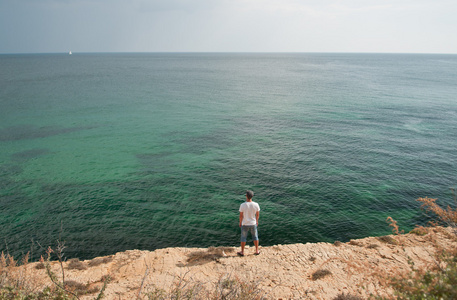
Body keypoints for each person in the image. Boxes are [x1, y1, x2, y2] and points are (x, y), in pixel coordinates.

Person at [238, 190, 260, 256]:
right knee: (255, 237)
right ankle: (257, 250)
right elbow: (257, 215)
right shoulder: (256, 204)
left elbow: (241, 216)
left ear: (246, 196)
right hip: (253, 223)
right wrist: (256, 221)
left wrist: (240, 222)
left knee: (243, 238)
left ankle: (242, 252)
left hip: (245, 223)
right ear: (252, 196)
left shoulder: (242, 205)